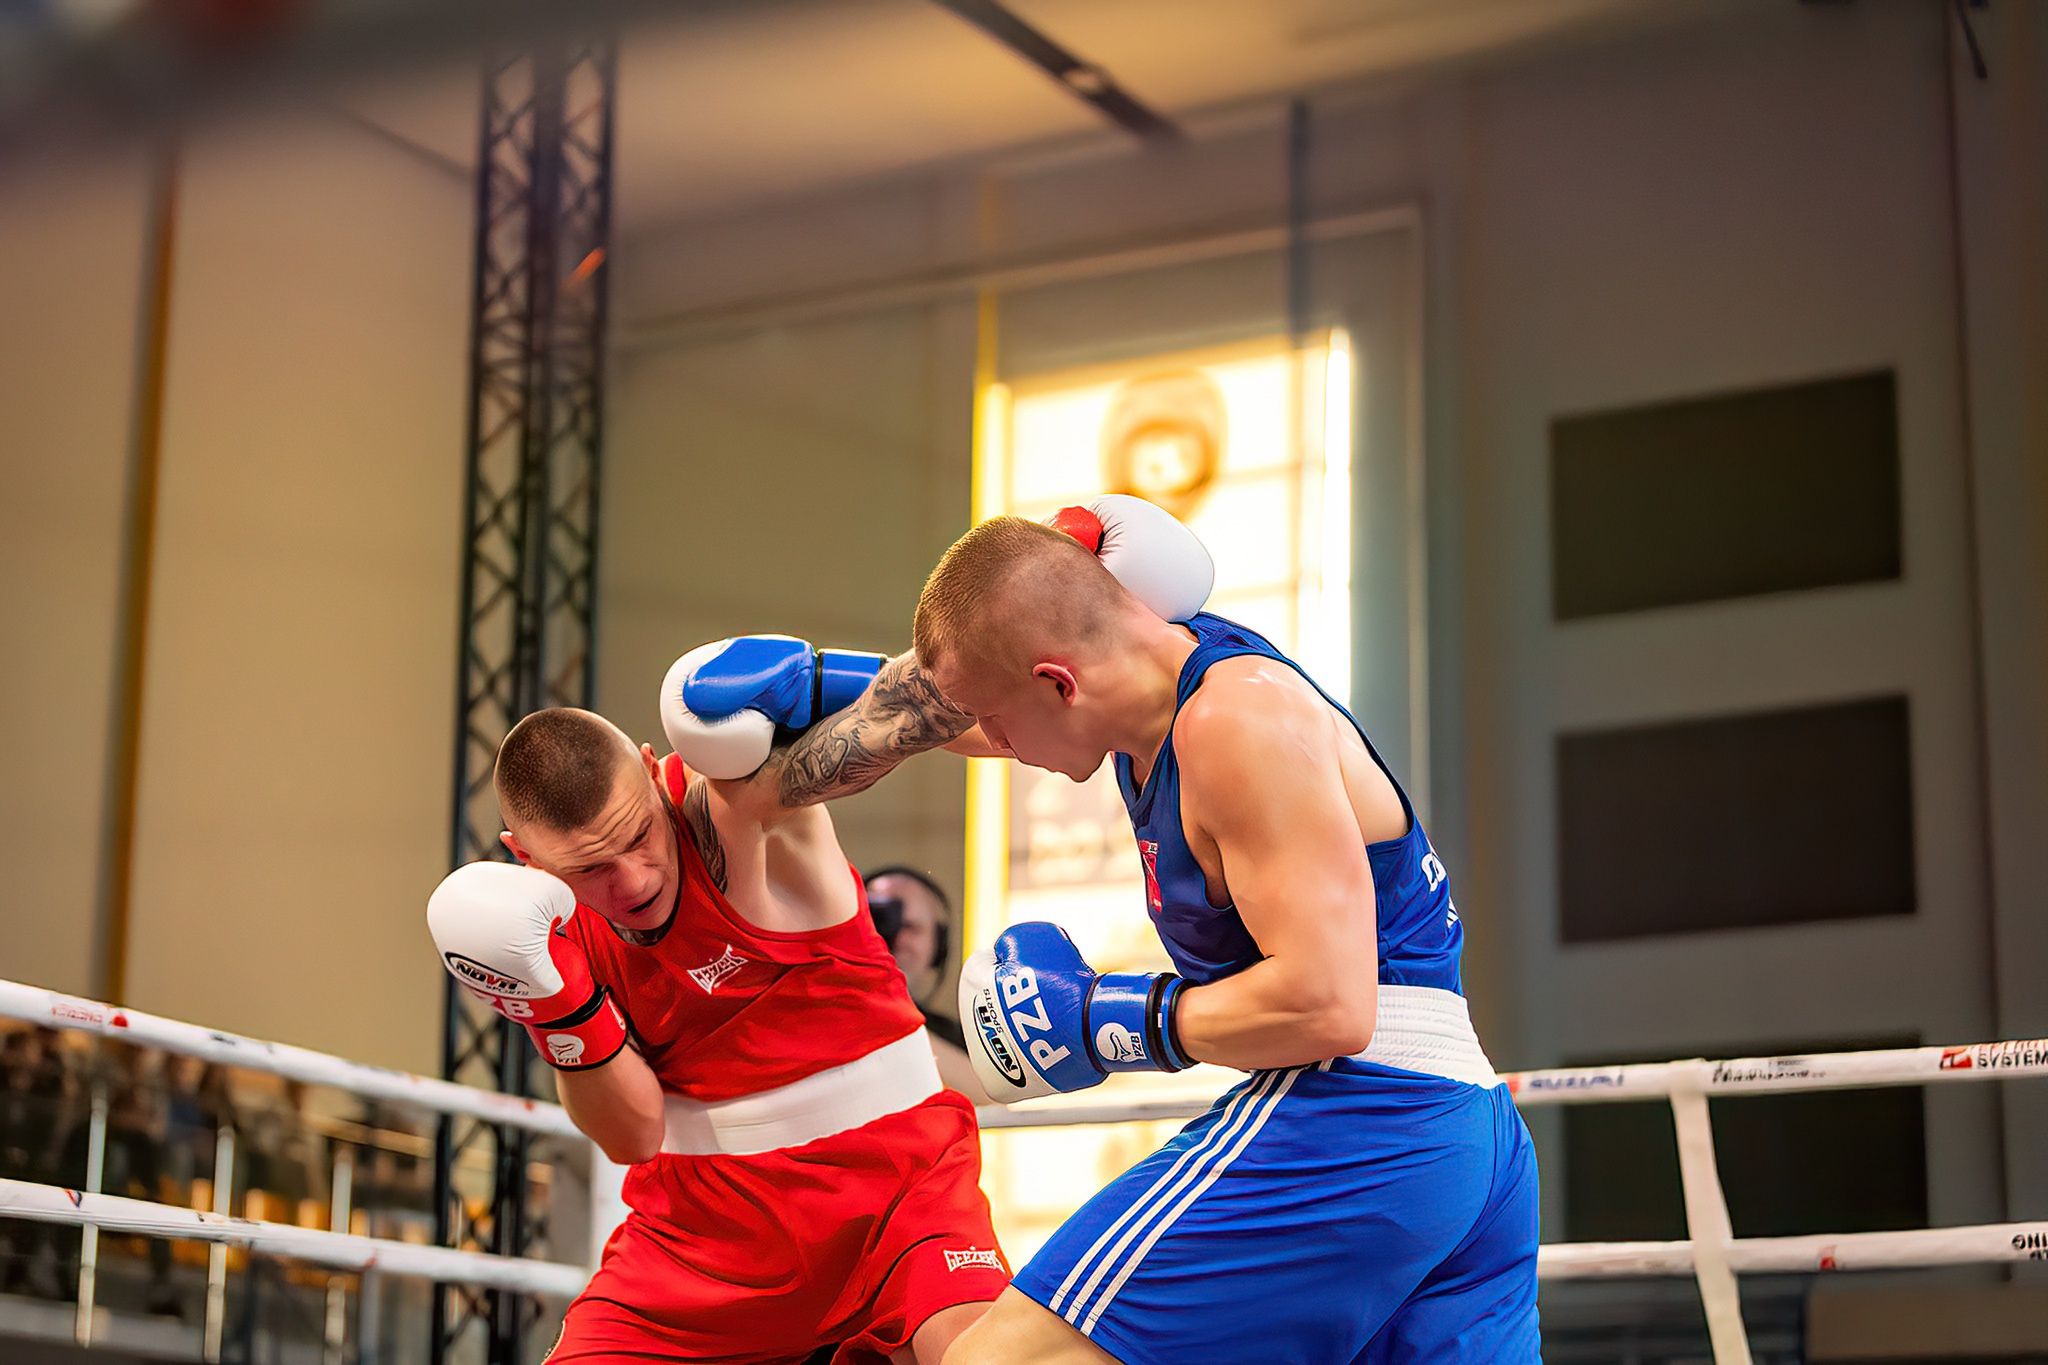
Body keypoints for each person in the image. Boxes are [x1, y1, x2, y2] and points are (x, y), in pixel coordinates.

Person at [914, 499, 1542, 1364]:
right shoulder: (1151, 671)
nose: (988, 743)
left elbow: (1330, 1003)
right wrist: (817, 682)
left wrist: (1115, 1018)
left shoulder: (1233, 725)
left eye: (995, 720)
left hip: (1361, 1112)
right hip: (1460, 1135)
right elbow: (984, 666)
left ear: (1058, 682)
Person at [426, 640, 1007, 1365]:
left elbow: (922, 711)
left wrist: (1054, 642)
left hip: (897, 1186)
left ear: (648, 767)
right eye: (590, 869)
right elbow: (633, 1135)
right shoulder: (548, 938)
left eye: (638, 834)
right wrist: (562, 1011)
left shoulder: (731, 800)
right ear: (528, 860)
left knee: (987, 1355)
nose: (631, 880)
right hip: (704, 1231)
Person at [862, 866, 982, 1101]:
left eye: (910, 927)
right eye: (880, 919)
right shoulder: (823, 1009)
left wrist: (885, 1013)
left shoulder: (956, 1037)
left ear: (938, 948)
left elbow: (990, 1097)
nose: (895, 937)